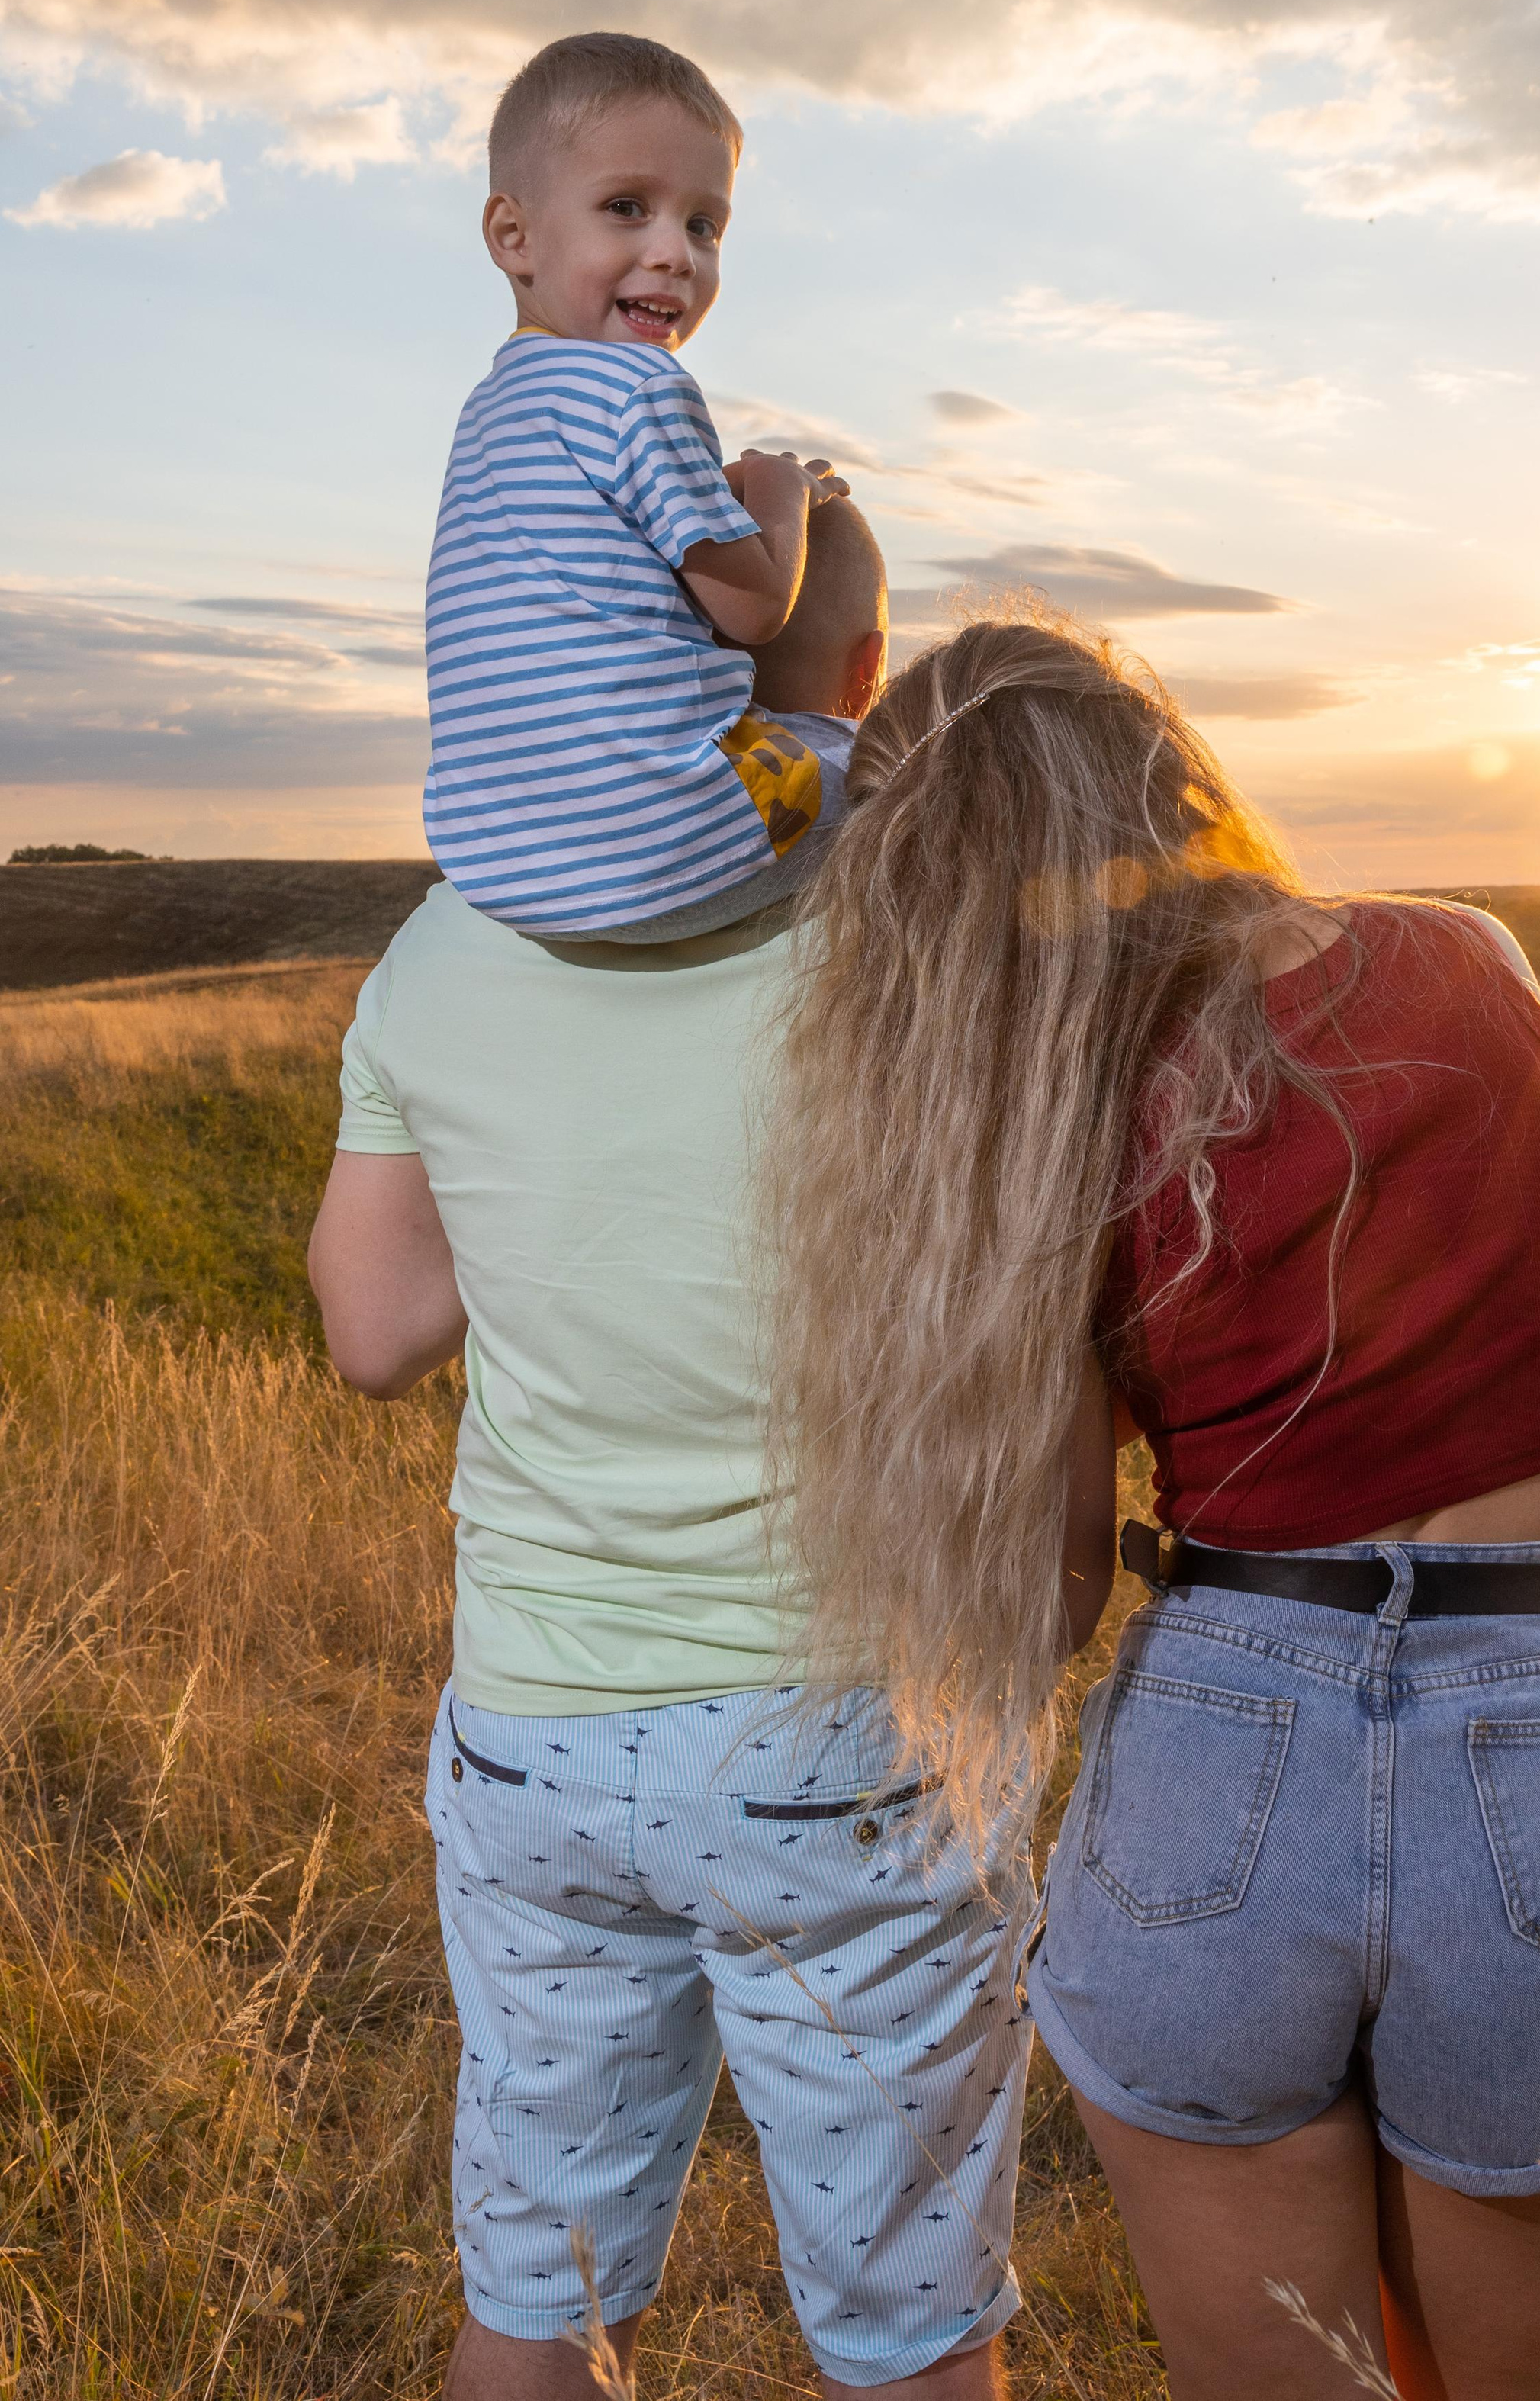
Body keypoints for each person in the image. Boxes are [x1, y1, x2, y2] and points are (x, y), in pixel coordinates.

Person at [760, 616, 1540, 2401]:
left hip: (1215, 1732)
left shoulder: (1044, 1133)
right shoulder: (1474, 961)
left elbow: (1040, 1597)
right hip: (1520, 1723)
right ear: (1173, 778)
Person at [310, 509, 1038, 2401]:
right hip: (839, 1724)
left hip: (533, 1720)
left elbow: (372, 1328)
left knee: (533, 2297)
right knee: (904, 2332)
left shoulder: (441, 938)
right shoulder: (906, 922)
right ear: (857, 680)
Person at [424, 28, 857, 943]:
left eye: (704, 225)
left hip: (505, 866)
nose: (675, 254)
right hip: (671, 843)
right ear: (513, 234)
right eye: (628, 207)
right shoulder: (642, 389)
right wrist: (779, 487)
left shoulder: (491, 410)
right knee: (886, 766)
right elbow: (754, 612)